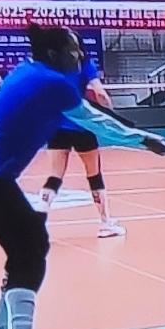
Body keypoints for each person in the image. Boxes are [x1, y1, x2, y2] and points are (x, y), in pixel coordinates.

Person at [0, 25, 165, 329]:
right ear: (54, 55)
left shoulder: (32, 72)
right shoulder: (51, 82)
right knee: (31, 249)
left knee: (27, 248)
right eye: (72, 51)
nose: (79, 56)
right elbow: (94, 118)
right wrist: (143, 138)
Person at [36, 44, 126, 239]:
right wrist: (112, 115)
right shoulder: (84, 64)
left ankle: (37, 222)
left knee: (55, 176)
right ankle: (106, 223)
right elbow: (100, 93)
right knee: (94, 175)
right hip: (82, 125)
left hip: (56, 126)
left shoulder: (51, 66)